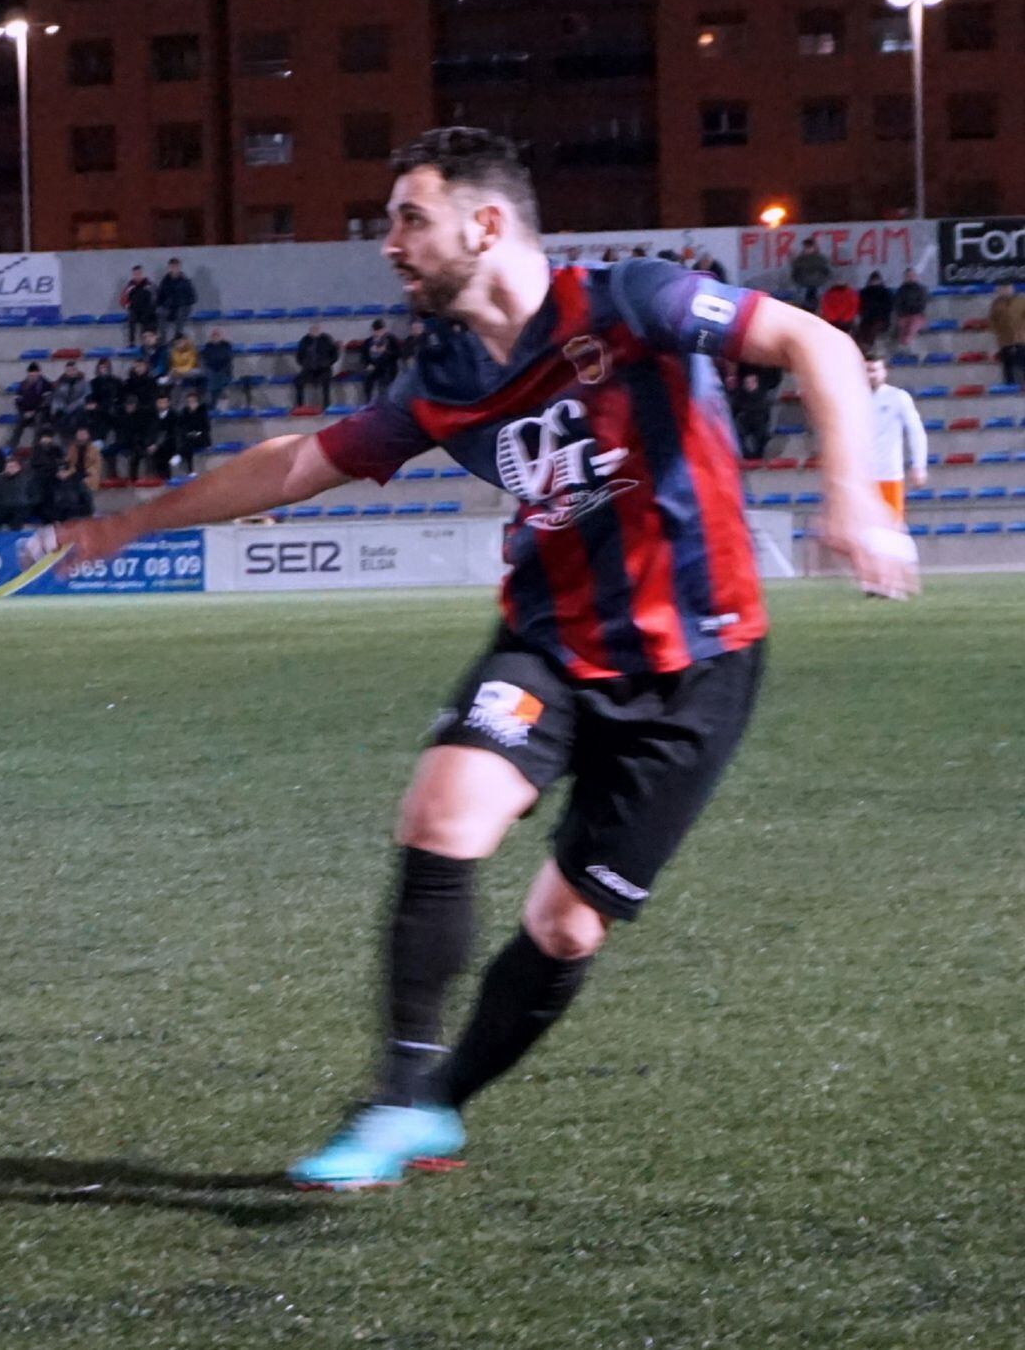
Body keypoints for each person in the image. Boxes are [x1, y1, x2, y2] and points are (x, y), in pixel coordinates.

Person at [45, 126, 915, 1194]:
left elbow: (818, 344)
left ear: (485, 223)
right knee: (442, 812)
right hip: (549, 644)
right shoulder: (445, 375)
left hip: (700, 663)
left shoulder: (631, 300)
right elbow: (294, 464)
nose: (389, 245)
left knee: (564, 922)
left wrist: (850, 496)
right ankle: (397, 1097)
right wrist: (135, 524)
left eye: (408, 218)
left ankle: (440, 1104)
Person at [865, 355, 927, 524]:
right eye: (866, 371)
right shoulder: (854, 398)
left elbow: (916, 431)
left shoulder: (898, 397)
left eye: (874, 370)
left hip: (888, 474)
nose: (870, 375)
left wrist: (919, 465)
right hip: (862, 477)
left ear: (884, 372)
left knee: (891, 529)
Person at [103, 394, 150, 482]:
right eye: (128, 405)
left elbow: (143, 432)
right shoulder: (121, 416)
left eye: (131, 405)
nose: (129, 407)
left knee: (137, 454)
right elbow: (114, 425)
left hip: (136, 443)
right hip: (122, 442)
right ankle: (112, 475)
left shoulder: (141, 417)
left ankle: (133, 478)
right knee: (106, 452)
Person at [294, 323, 340, 408]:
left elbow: (334, 355)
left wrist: (327, 363)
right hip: (309, 369)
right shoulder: (305, 340)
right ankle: (300, 405)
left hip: (324, 369)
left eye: (316, 330)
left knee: (326, 382)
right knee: (298, 381)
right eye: (313, 330)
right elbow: (299, 356)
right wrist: (305, 364)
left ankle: (327, 405)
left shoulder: (326, 339)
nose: (314, 332)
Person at [989, 284, 1025, 387]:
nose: (1005, 291)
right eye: (1002, 288)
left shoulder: (1021, 302)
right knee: (1008, 372)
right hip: (1005, 343)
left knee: (1020, 367)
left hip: (1021, 342)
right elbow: (992, 322)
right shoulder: (996, 305)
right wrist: (999, 336)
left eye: (1007, 288)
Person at [10, 363, 52, 450]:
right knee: (18, 424)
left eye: (34, 375)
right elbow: (17, 400)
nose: (32, 377)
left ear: (39, 373)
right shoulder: (22, 385)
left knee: (39, 423)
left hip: (40, 412)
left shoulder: (46, 385)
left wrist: (34, 412)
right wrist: (24, 412)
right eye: (31, 375)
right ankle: (11, 448)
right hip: (25, 412)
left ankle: (36, 448)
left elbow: (46, 402)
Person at [0, 454, 32, 530]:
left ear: (18, 467)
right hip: (1, 510)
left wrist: (26, 506)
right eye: (7, 467)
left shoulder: (26, 480)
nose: (9, 469)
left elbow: (32, 496)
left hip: (19, 510)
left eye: (12, 467)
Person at [156, 257, 197, 341]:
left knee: (181, 312)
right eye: (172, 267)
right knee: (161, 313)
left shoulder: (185, 281)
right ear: (169, 268)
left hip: (182, 307)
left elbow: (193, 298)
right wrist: (163, 305)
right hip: (170, 308)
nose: (174, 269)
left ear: (179, 267)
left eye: (176, 267)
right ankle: (162, 338)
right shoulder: (165, 281)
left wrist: (182, 302)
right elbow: (159, 297)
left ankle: (177, 337)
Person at [28, 427, 64, 523]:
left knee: (53, 495)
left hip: (53, 476)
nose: (46, 439)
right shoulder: (36, 449)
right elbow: (34, 463)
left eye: (48, 437)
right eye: (44, 437)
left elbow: (61, 462)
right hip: (40, 476)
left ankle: (54, 516)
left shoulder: (56, 449)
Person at [362, 317, 401, 402]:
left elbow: (397, 354)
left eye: (380, 330)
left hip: (387, 368)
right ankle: (368, 403)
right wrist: (368, 364)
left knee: (384, 386)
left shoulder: (391, 339)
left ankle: (384, 404)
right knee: (367, 378)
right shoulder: (368, 342)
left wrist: (385, 351)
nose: (378, 333)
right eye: (376, 331)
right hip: (373, 368)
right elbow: (364, 356)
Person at [790, 237, 832, 311]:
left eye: (810, 247)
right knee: (803, 306)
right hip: (804, 286)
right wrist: (798, 281)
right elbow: (795, 273)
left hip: (817, 285)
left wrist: (822, 280)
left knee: (819, 305)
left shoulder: (820, 258)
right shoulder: (800, 259)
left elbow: (827, 271)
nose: (808, 249)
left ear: (814, 247)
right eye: (806, 247)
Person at [856, 271, 895, 352]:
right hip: (867, 318)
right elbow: (860, 306)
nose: (874, 282)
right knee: (862, 330)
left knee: (873, 329)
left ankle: (868, 348)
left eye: (876, 280)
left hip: (881, 319)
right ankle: (862, 349)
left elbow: (888, 308)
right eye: (873, 280)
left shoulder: (885, 293)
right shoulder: (864, 292)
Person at [120, 265, 157, 346]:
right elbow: (123, 300)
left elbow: (155, 298)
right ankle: (131, 342)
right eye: (135, 274)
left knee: (148, 319)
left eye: (139, 274)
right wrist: (128, 306)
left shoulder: (149, 285)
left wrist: (151, 308)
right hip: (134, 310)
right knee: (131, 320)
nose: (137, 276)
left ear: (142, 274)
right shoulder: (130, 286)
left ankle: (146, 343)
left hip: (147, 310)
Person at [49, 361, 89, 438]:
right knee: (58, 420)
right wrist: (56, 409)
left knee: (73, 421)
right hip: (64, 410)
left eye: (73, 370)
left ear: (76, 370)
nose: (71, 372)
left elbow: (86, 396)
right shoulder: (60, 383)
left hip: (79, 410)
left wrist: (72, 406)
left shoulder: (84, 382)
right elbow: (57, 398)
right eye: (68, 370)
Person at [175, 388, 211, 472]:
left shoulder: (202, 411)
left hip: (201, 435)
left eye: (193, 401)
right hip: (189, 435)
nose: (191, 403)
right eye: (189, 402)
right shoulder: (184, 412)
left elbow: (205, 427)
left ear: (197, 402)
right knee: (185, 439)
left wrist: (208, 443)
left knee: (189, 440)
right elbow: (182, 426)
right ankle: (188, 467)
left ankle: (182, 459)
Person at [892, 268, 928, 348]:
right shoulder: (901, 291)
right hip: (904, 315)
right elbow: (898, 304)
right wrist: (903, 313)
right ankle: (903, 345)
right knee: (902, 325)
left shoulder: (921, 290)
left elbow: (922, 304)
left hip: (917, 315)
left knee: (912, 326)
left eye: (911, 275)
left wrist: (912, 311)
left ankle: (906, 345)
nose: (910, 277)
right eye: (908, 276)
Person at [145, 392, 178, 479]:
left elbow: (172, 433)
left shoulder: (174, 416)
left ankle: (166, 478)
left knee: (162, 453)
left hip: (171, 444)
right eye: (160, 403)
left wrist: (156, 445)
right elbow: (150, 432)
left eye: (164, 402)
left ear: (168, 403)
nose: (162, 405)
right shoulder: (152, 416)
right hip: (155, 445)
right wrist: (149, 444)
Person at [200, 328, 234, 411]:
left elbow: (227, 358)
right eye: (213, 336)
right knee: (211, 374)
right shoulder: (208, 346)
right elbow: (206, 359)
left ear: (221, 336)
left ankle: (217, 403)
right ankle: (214, 402)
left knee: (220, 376)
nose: (215, 337)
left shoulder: (226, 345)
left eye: (217, 335)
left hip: (224, 370)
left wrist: (217, 361)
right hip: (212, 370)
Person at [65, 425, 103, 496]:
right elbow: (68, 461)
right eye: (79, 435)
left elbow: (97, 467)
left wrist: (88, 473)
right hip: (75, 473)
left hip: (89, 474)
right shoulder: (73, 448)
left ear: (88, 436)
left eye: (83, 435)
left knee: (83, 485)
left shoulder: (94, 449)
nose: (81, 437)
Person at [167, 333, 199, 407]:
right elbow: (173, 365)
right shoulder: (173, 352)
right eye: (177, 342)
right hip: (177, 377)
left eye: (181, 342)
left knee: (192, 373)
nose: (179, 344)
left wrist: (179, 370)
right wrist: (176, 370)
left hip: (190, 376)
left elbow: (190, 366)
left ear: (185, 341)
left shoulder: (192, 350)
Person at [89, 358, 123, 423]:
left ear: (109, 368)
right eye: (101, 367)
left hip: (112, 409)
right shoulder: (93, 382)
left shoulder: (117, 381)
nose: (104, 369)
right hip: (97, 410)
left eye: (106, 367)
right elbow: (91, 397)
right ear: (98, 369)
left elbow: (120, 396)